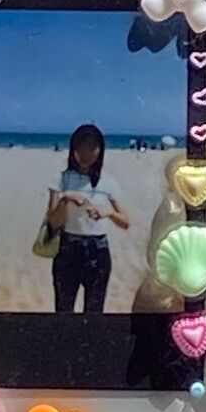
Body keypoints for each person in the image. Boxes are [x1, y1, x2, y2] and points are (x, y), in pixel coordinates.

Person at [45, 124, 131, 313]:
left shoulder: (108, 181)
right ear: (74, 150)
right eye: (82, 147)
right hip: (69, 249)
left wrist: (108, 212)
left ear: (100, 150)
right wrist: (65, 198)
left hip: (98, 251)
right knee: (63, 312)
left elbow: (126, 222)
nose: (86, 153)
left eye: (92, 147)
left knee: (94, 314)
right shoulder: (61, 179)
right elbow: (53, 222)